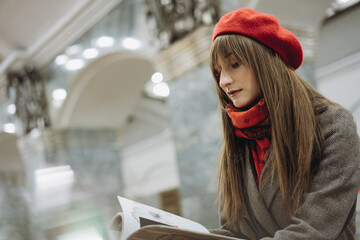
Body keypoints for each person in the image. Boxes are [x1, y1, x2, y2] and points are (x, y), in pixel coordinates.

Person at [209, 8, 360, 239]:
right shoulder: (237, 142)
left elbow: (313, 230)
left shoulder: (333, 126)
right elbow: (232, 231)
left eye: (235, 64)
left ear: (265, 63)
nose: (224, 82)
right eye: (218, 72)